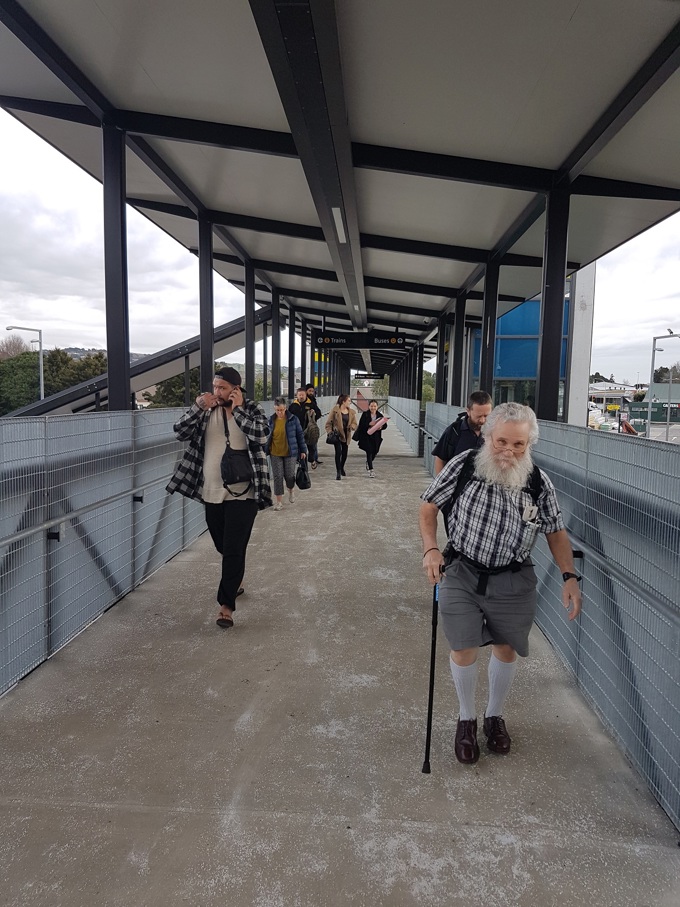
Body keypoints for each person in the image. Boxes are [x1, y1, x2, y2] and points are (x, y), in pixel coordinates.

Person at [419, 402, 582, 765]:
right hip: (461, 570)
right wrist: (431, 548)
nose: (509, 451)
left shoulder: (538, 482)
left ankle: (493, 715)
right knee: (463, 648)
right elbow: (429, 505)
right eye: (502, 441)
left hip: (513, 575)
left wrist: (569, 575)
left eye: (519, 445)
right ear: (487, 436)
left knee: (506, 647)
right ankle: (466, 719)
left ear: (529, 445)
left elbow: (555, 531)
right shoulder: (463, 467)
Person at [166, 367, 271, 630]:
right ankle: (235, 579)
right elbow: (179, 432)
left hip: (244, 494)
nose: (217, 392)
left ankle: (226, 607)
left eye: (222, 388)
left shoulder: (252, 410)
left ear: (236, 389)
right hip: (211, 492)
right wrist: (197, 406)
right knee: (223, 546)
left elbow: (261, 435)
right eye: (215, 387)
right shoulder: (206, 412)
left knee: (234, 549)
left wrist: (237, 411)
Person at [432, 391, 493, 475]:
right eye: (478, 416)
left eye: (486, 416)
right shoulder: (454, 431)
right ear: (468, 411)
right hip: (457, 485)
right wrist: (440, 484)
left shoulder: (495, 432)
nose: (482, 420)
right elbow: (440, 459)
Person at [266, 396, 307, 511]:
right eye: (277, 410)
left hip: (290, 452)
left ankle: (291, 489)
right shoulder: (271, 420)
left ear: (286, 408)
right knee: (277, 476)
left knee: (289, 475)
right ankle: (279, 502)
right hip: (275, 452)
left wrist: (303, 450)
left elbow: (300, 435)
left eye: (282, 410)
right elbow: (267, 436)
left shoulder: (293, 419)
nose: (279, 412)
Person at [325, 393, 357, 480]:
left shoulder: (351, 412)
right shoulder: (335, 410)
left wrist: (352, 427)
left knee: (345, 453)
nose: (350, 402)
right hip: (337, 435)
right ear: (343, 401)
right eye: (349, 401)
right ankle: (338, 471)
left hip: (346, 435)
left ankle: (342, 467)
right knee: (338, 453)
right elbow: (328, 423)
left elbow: (354, 423)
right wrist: (330, 432)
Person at [354, 399, 388, 477]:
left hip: (376, 437)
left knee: (375, 451)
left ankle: (369, 462)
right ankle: (371, 470)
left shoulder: (379, 415)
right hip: (367, 436)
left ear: (377, 407)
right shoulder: (365, 414)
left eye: (374, 406)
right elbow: (361, 425)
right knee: (369, 452)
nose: (373, 408)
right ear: (369, 406)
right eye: (371, 406)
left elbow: (385, 425)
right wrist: (369, 424)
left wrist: (381, 427)